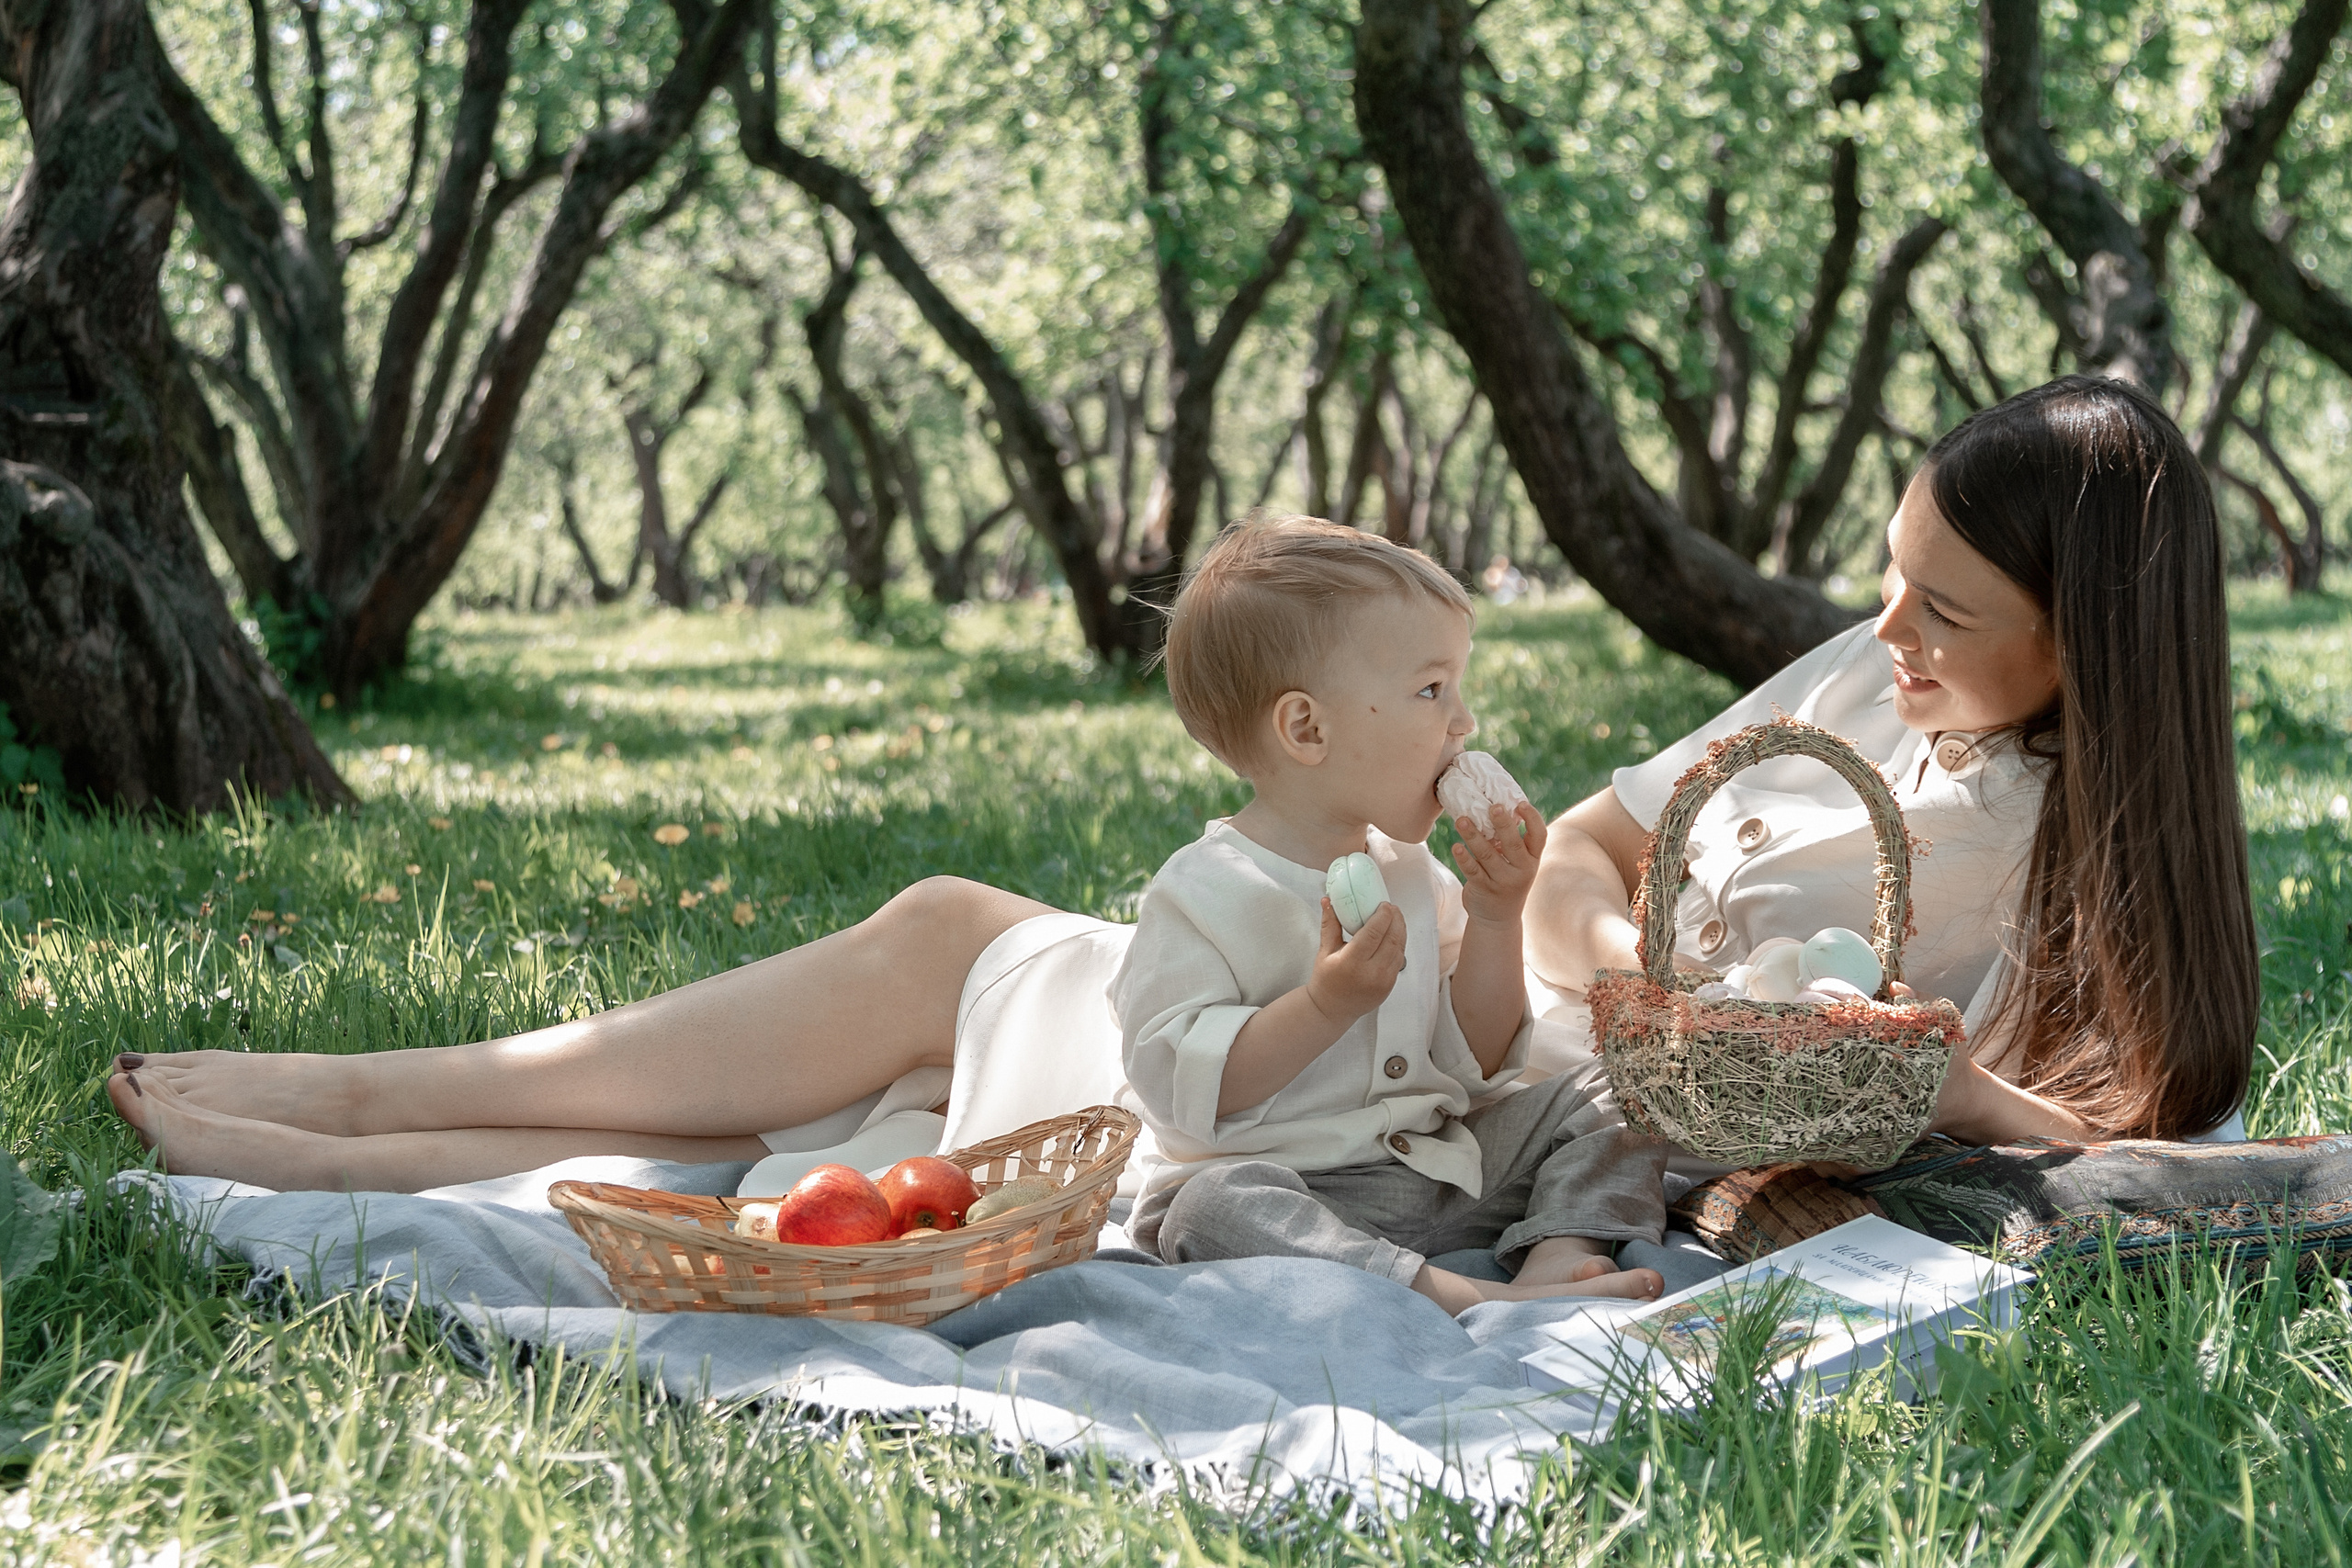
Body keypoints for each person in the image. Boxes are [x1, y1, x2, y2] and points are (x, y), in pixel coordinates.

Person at [108, 376, 2258, 1203]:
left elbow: (2046, 1120)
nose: (1885, 635)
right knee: (910, 1001)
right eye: (1887, 583)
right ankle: (365, 1103)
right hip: (1470, 1000)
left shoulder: (2063, 863)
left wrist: (1659, 1021)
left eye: (1945, 611)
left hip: (1420, 1074)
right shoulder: (1866, 697)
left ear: (2097, 644)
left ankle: (355, 1120)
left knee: (936, 982)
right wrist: (1593, 950)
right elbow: (1609, 847)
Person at [1114, 517, 1668, 1311]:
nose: (1464, 720)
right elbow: (1178, 1089)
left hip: (1441, 1171)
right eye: (1431, 689)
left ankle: (1561, 1250)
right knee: (1210, 1208)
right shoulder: (1201, 894)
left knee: (1631, 1080)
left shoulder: (1411, 869)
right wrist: (1322, 1006)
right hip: (1300, 1196)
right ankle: (1462, 1296)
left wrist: (1496, 914)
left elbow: (1476, 1056)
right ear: (1307, 727)